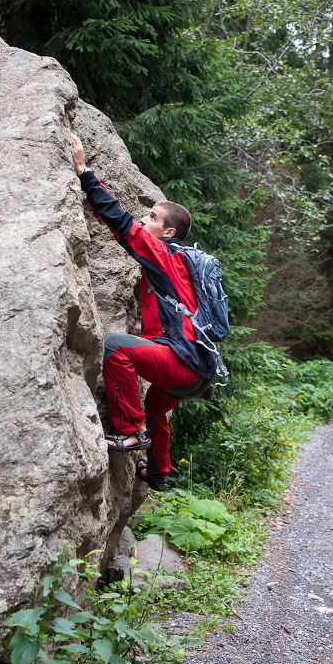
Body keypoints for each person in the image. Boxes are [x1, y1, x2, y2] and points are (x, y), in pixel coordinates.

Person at [70, 133, 216, 491]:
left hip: (183, 365)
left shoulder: (166, 255)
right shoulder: (184, 264)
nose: (144, 219)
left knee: (116, 346)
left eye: (151, 217)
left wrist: (84, 173)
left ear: (168, 232)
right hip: (198, 373)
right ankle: (159, 472)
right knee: (155, 404)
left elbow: (123, 225)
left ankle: (129, 433)